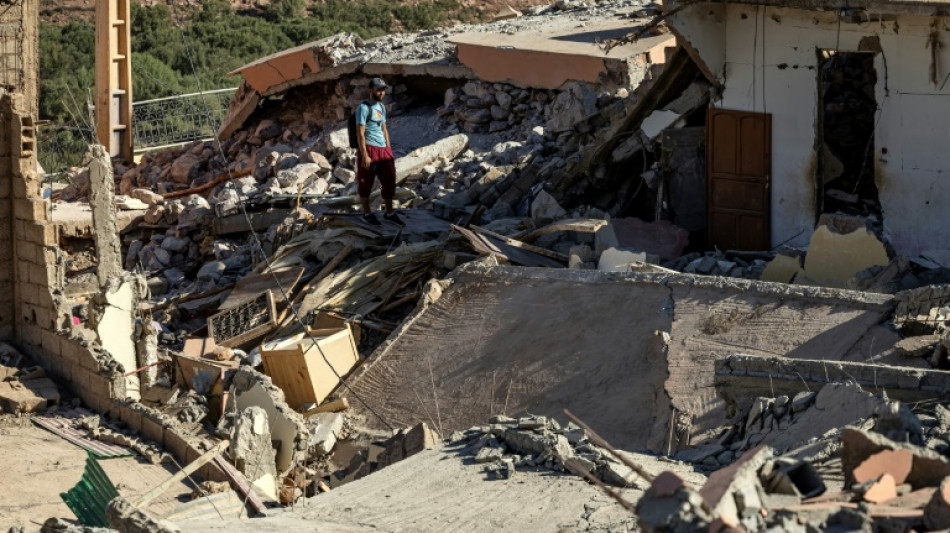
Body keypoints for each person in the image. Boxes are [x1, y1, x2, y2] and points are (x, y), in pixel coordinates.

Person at [355, 77, 402, 226]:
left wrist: (388, 149)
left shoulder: (381, 107)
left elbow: (384, 129)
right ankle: (367, 214)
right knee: (366, 183)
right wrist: (365, 155)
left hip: (383, 150)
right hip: (369, 149)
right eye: (379, 90)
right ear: (371, 90)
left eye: (383, 90)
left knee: (390, 180)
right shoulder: (363, 108)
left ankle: (389, 212)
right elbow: (360, 133)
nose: (382, 93)